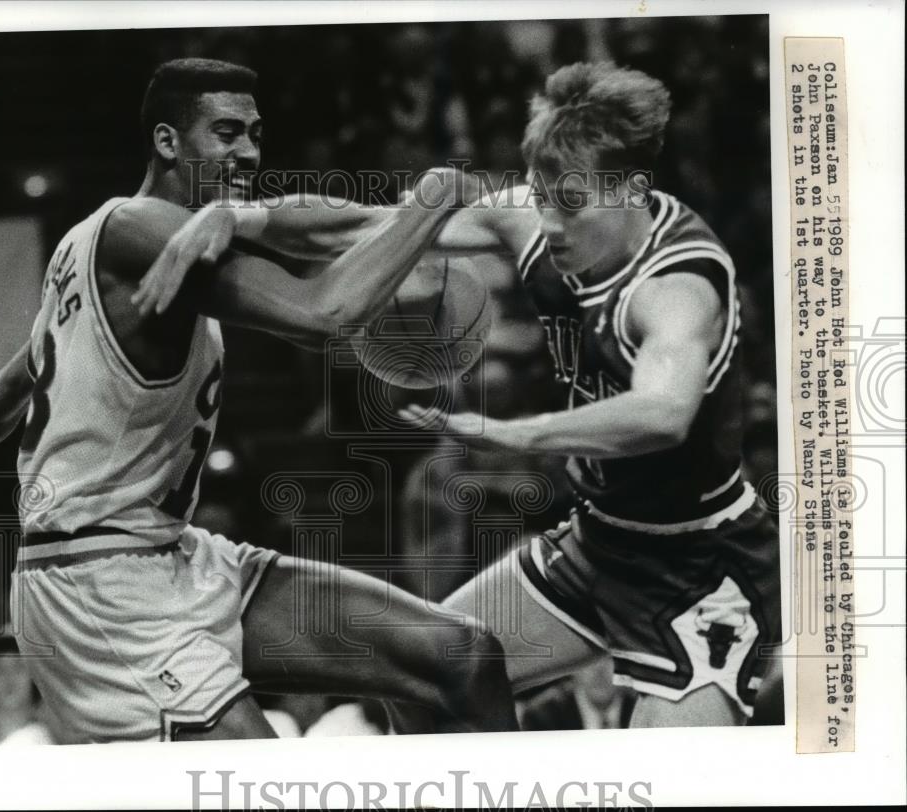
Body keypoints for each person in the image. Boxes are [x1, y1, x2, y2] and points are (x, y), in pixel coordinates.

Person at [150, 62, 781, 728]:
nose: (551, 225)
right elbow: (368, 225)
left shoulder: (677, 286)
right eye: (540, 198)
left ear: (630, 189)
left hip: (700, 567)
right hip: (599, 544)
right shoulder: (533, 222)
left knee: (672, 774)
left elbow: (663, 413)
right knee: (429, 673)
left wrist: (513, 434)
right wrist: (240, 215)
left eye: (570, 205)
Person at [0, 58, 519, 743]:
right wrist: (432, 196)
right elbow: (324, 311)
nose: (248, 149)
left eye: (255, 132)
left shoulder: (90, 243)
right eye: (226, 131)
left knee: (462, 660)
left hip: (174, 555)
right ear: (167, 142)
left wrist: (421, 218)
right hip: (96, 585)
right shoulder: (136, 231)